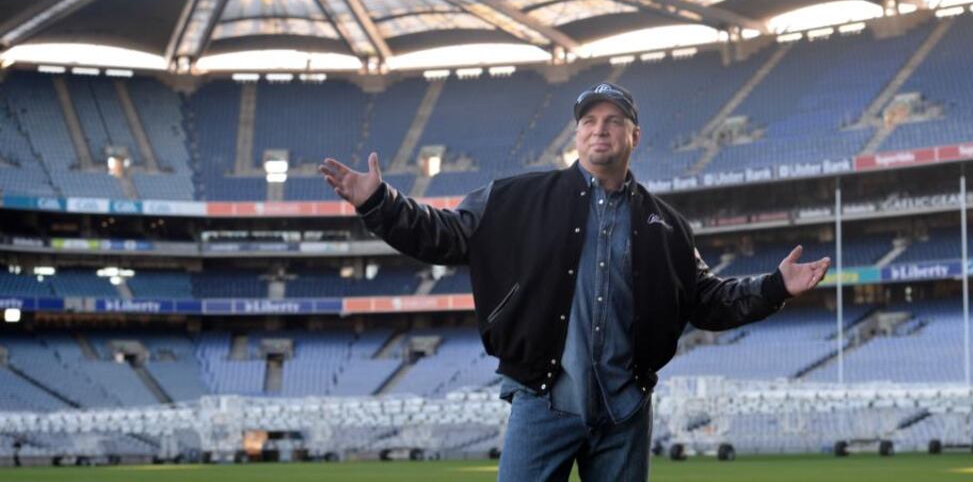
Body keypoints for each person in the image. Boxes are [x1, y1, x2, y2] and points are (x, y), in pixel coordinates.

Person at [320, 81, 831, 481]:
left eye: (613, 121)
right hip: (542, 400)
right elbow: (445, 235)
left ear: (635, 136)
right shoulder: (516, 197)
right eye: (588, 121)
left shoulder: (666, 225)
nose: (599, 129)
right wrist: (380, 203)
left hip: (625, 410)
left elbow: (706, 300)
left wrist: (774, 287)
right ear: (577, 134)